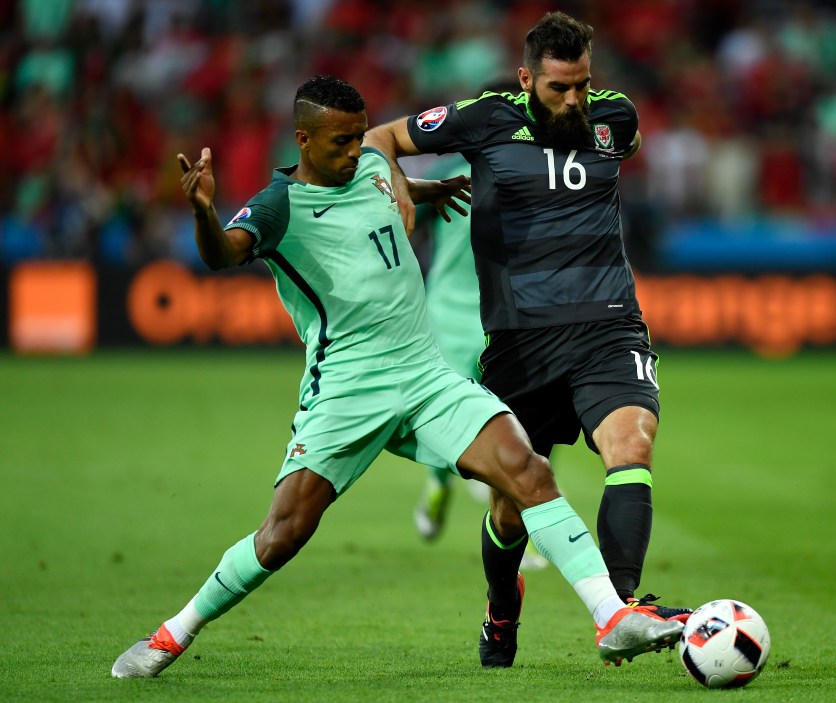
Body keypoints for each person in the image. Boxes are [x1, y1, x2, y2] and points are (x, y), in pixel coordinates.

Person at [110, 74, 683, 679]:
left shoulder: (371, 165)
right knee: (283, 534)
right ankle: (173, 633)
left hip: (423, 372)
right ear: (302, 139)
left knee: (527, 469)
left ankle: (610, 617)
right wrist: (203, 213)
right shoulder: (279, 205)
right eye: (340, 142)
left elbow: (384, 179)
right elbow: (222, 253)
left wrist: (429, 189)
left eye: (360, 136)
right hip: (349, 388)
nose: (356, 150)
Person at [364, 12, 690, 669]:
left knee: (631, 442)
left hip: (608, 324)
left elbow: (625, 140)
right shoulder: (484, 117)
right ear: (525, 79)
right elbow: (379, 138)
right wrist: (398, 182)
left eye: (582, 85)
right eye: (558, 88)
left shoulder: (614, 116)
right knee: (514, 506)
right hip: (520, 343)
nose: (574, 100)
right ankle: (499, 608)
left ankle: (620, 609)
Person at [411, 150, 550, 571]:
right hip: (482, 312)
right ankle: (446, 485)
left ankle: (513, 524)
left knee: (504, 421)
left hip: (473, 313)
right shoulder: (529, 172)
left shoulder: (447, 174)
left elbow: (412, 221)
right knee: (486, 421)